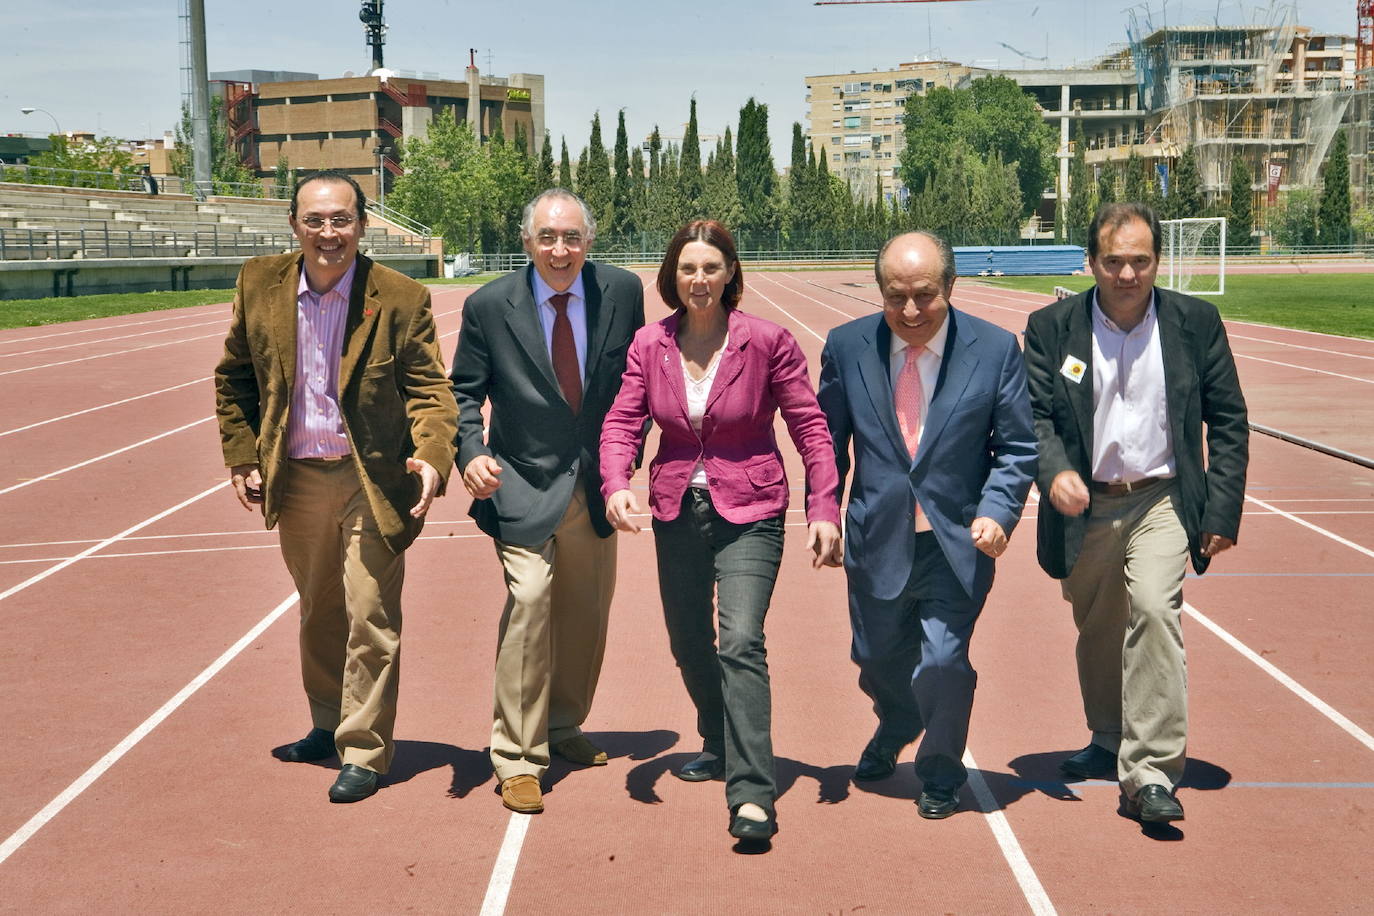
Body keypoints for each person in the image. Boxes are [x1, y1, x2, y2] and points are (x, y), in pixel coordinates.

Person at [214, 170, 458, 803]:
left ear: (363, 224)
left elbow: (431, 392)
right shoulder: (258, 283)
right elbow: (234, 376)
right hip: (293, 477)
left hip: (369, 479)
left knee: (370, 612)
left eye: (342, 220)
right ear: (294, 225)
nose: (329, 233)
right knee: (320, 608)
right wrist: (243, 456)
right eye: (315, 221)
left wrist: (432, 457)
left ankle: (365, 749)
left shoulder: (399, 297)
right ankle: (327, 722)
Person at [600, 220, 842, 843]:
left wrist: (823, 507)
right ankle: (718, 738)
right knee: (688, 641)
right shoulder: (649, 344)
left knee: (740, 640)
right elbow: (623, 421)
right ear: (671, 276)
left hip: (753, 509)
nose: (699, 280)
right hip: (675, 507)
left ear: (730, 272)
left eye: (711, 268)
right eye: (688, 269)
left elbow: (811, 427)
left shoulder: (767, 341)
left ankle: (753, 794)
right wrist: (616, 483)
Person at [1023, 202, 1248, 824]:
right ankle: (1106, 737)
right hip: (1085, 502)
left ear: (1157, 261)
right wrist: (1056, 471)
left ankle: (1150, 771)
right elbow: (1035, 416)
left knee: (1153, 608)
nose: (1128, 274)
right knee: (1097, 625)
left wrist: (1222, 509)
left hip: (1163, 498)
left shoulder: (1196, 323)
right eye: (1114, 261)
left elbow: (1228, 419)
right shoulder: (1052, 328)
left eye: (1141, 261)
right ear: (1091, 262)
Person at [817, 231, 1036, 819]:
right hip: (875, 534)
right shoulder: (846, 346)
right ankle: (896, 721)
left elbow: (1016, 447)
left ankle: (940, 770)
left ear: (951, 286)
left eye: (924, 295)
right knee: (875, 657)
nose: (910, 311)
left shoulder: (993, 350)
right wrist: (824, 512)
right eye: (895, 297)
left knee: (942, 660)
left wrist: (998, 509)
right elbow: (826, 443)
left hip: (955, 539)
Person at [450, 188, 645, 815]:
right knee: (530, 603)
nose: (559, 250)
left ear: (590, 240)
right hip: (521, 482)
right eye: (546, 237)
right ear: (526, 242)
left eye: (572, 238)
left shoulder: (622, 291)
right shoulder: (488, 306)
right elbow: (463, 394)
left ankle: (563, 725)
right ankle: (516, 756)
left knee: (586, 616)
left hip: (596, 486)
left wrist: (624, 466)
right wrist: (471, 451)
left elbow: (633, 387)